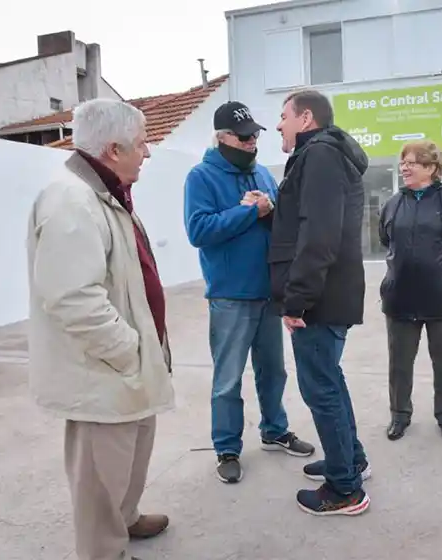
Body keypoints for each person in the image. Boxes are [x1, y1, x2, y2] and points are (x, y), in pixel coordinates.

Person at [26, 99, 175, 560]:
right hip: (103, 370)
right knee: (99, 474)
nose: (147, 152)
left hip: (128, 364)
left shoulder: (104, 191)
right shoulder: (71, 200)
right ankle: (103, 550)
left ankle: (125, 518)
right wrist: (127, 350)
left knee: (130, 456)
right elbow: (73, 298)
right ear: (113, 149)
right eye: (141, 143)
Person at [183, 101, 315, 485]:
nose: (252, 142)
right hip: (229, 296)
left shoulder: (261, 173)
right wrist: (248, 213)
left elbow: (279, 222)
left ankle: (274, 430)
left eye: (255, 134)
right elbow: (198, 231)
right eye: (243, 137)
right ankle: (226, 447)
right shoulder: (201, 177)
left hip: (267, 293)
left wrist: (270, 211)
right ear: (222, 138)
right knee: (228, 379)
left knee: (273, 370)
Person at [269, 89, 371, 516]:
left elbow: (319, 235)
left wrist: (297, 300)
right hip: (329, 294)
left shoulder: (321, 156)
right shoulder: (324, 155)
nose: (278, 125)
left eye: (283, 116)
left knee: (321, 388)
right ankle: (351, 460)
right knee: (330, 380)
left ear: (305, 118)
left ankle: (344, 489)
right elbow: (307, 221)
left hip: (320, 299)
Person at [378, 140, 442, 443]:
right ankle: (399, 415)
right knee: (399, 362)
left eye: (412, 162)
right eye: (403, 162)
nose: (404, 167)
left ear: (432, 167)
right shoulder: (393, 204)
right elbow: (387, 240)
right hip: (401, 297)